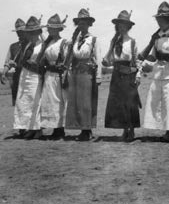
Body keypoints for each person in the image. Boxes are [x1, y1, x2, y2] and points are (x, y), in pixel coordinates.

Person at [139, 1, 169, 142]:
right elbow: (152, 57)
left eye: (162, 19)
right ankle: (167, 131)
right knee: (161, 103)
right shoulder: (156, 36)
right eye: (158, 19)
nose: (159, 21)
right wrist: (148, 50)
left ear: (168, 19)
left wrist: (167, 52)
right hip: (158, 73)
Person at [102, 10, 141, 142]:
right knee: (118, 103)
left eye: (124, 24)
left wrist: (138, 76)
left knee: (130, 103)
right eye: (119, 24)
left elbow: (137, 61)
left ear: (128, 26)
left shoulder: (132, 42)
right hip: (116, 74)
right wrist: (106, 61)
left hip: (129, 74)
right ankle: (125, 129)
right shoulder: (114, 42)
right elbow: (109, 58)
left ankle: (132, 131)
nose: (121, 27)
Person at [65, 8, 102, 141]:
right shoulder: (75, 40)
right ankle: (82, 129)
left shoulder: (93, 40)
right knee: (77, 103)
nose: (82, 25)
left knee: (86, 103)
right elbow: (70, 57)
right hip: (76, 73)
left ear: (89, 24)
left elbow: (98, 58)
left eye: (84, 23)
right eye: (80, 23)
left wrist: (98, 76)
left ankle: (87, 130)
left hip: (87, 73)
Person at [13, 16, 45, 139]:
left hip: (35, 76)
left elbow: (43, 62)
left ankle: (38, 130)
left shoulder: (42, 45)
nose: (32, 35)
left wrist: (36, 65)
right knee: (25, 102)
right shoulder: (27, 45)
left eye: (34, 32)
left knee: (35, 102)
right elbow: (22, 60)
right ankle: (29, 128)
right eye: (29, 32)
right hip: (24, 76)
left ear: (38, 32)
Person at [39, 14, 69, 140]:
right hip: (48, 75)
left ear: (58, 29)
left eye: (52, 28)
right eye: (49, 28)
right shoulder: (47, 43)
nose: (50, 30)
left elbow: (68, 60)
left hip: (58, 75)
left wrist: (63, 69)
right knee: (49, 102)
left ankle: (60, 129)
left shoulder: (64, 43)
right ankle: (53, 128)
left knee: (59, 101)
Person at [1, 18, 28, 107]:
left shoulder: (32, 44)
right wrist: (4, 74)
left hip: (29, 76)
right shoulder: (13, 46)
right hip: (17, 78)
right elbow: (7, 62)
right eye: (18, 31)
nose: (20, 33)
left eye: (22, 31)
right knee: (18, 105)